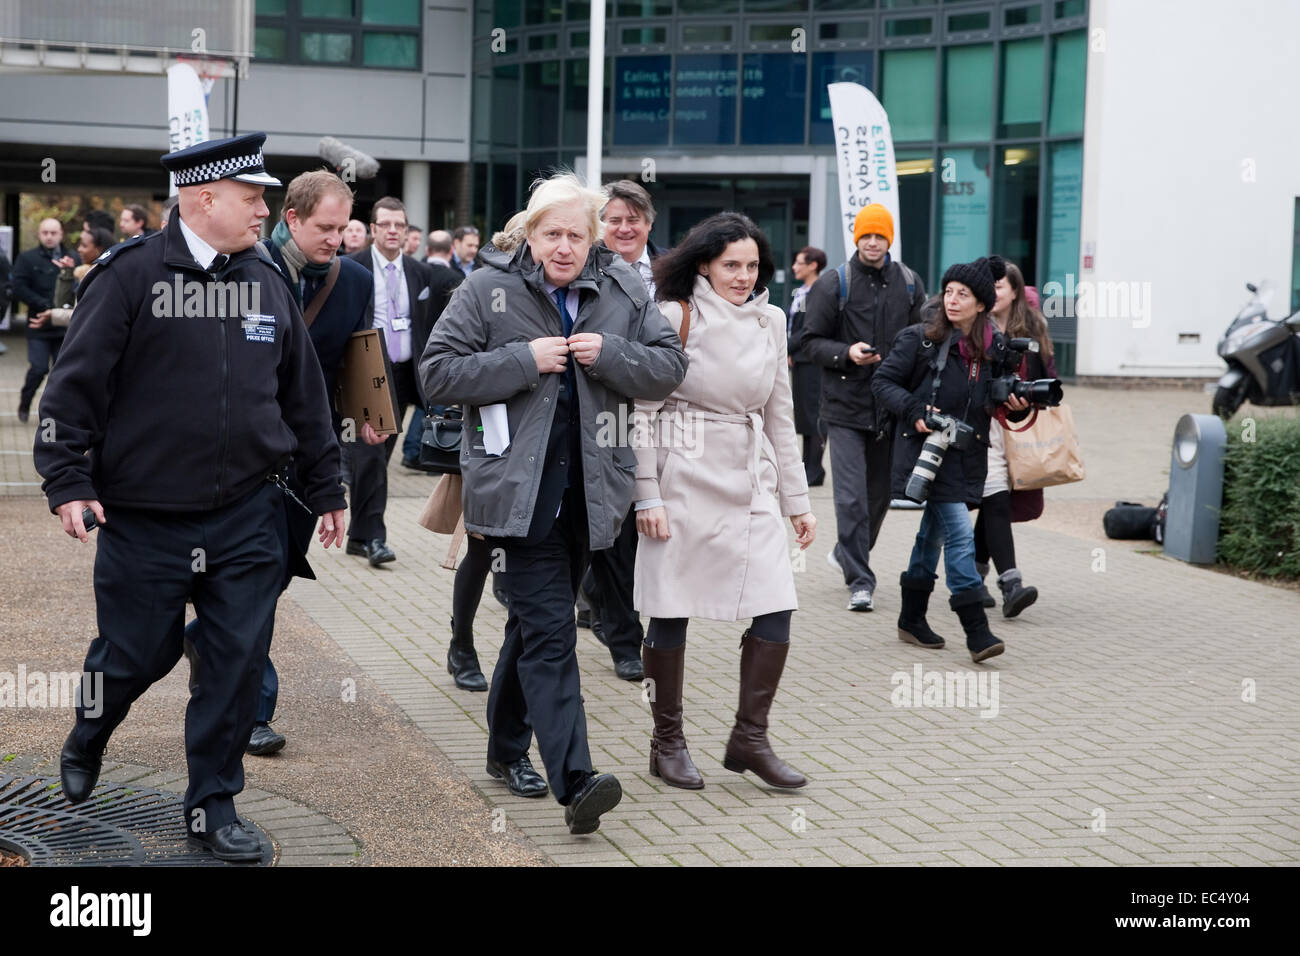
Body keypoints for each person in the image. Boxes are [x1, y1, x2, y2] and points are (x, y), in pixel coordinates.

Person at [34, 132, 347, 862]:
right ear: (203, 199)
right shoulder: (128, 277)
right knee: (134, 656)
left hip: (247, 514)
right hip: (144, 519)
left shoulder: (266, 280)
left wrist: (328, 485)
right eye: (253, 198)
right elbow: (73, 389)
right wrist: (66, 480)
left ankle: (212, 803)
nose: (264, 211)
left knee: (235, 665)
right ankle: (90, 730)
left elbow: (304, 398)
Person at [420, 172, 686, 834]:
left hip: (592, 495)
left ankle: (505, 749)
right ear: (529, 233)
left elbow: (670, 366)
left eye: (576, 234)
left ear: (593, 237)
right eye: (551, 233)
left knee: (529, 629)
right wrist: (520, 359)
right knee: (552, 631)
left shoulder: (623, 286)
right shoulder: (487, 289)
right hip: (518, 494)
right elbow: (435, 374)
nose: (563, 246)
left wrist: (612, 355)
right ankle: (576, 779)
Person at [633, 212, 816, 791]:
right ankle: (667, 742)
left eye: (752, 266)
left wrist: (798, 501)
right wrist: (646, 497)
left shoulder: (772, 320)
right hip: (680, 474)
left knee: (776, 602)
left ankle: (750, 737)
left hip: (748, 476)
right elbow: (637, 414)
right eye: (730, 265)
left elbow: (779, 415)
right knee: (669, 607)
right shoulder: (673, 315)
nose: (742, 276)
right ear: (704, 264)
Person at [201, 168, 379, 757]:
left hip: (307, 457)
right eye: (326, 228)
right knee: (252, 583)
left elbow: (360, 353)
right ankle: (252, 711)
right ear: (292, 218)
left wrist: (371, 413)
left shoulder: (353, 280)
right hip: (241, 454)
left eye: (345, 228)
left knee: (267, 583)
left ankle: (208, 639)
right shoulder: (240, 266)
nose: (338, 239)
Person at [871, 256, 1031, 664]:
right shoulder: (919, 340)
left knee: (932, 536)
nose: (953, 301)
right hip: (930, 453)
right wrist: (916, 411)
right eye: (949, 292)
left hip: (970, 456)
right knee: (959, 535)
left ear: (982, 304)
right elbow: (882, 382)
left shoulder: (992, 348)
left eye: (964, 294)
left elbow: (996, 406)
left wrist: (1014, 406)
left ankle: (911, 618)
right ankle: (976, 631)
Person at [799, 204, 925, 612]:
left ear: (889, 240)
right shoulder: (834, 282)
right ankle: (860, 580)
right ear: (857, 239)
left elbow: (923, 341)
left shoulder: (909, 283)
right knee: (850, 498)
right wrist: (847, 353)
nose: (873, 242)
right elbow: (809, 342)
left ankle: (849, 551)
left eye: (880, 236)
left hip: (891, 408)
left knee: (880, 496)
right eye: (867, 236)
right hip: (844, 407)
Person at [577, 179, 667, 682]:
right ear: (600, 226)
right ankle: (625, 640)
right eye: (614, 219)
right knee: (615, 533)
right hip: (607, 416)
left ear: (649, 225)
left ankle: (647, 622)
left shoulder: (675, 278)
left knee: (653, 529)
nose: (624, 227)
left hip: (666, 422)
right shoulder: (587, 273)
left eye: (634, 219)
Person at [346, 197, 433, 566]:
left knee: (379, 456)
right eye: (386, 225)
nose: (394, 231)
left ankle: (357, 536)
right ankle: (374, 537)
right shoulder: (352, 267)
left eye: (400, 225)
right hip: (366, 370)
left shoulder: (418, 271)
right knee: (369, 456)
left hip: (401, 373)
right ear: (374, 229)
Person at [972, 256, 1058, 617]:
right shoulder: (976, 325)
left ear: (1014, 291)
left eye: (999, 287)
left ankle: (976, 575)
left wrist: (1032, 398)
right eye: (989, 287)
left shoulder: (1033, 324)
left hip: (1022, 426)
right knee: (994, 499)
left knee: (999, 501)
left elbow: (1049, 371)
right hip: (987, 424)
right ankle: (1008, 582)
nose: (993, 293)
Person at [11, 218, 75, 423]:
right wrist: (44, 305)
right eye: (45, 232)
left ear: (61, 234)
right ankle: (25, 402)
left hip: (64, 327)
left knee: (61, 373)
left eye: (53, 233)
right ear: (39, 234)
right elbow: (19, 288)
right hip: (37, 324)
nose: (49, 237)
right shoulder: (27, 259)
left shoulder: (72, 258)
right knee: (38, 368)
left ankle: (57, 413)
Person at [788, 246, 828, 486]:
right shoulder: (799, 292)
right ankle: (807, 466)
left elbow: (809, 329)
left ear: (813, 265)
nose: (794, 267)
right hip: (800, 360)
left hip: (813, 361)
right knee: (803, 415)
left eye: (799, 262)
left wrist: (786, 346)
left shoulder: (821, 292)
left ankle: (816, 468)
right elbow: (796, 324)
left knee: (815, 415)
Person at [33, 226, 115, 330]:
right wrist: (67, 273)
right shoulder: (84, 273)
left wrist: (53, 314)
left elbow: (85, 315)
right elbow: (63, 303)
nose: (79, 249)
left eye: (84, 246)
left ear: (99, 249)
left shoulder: (101, 278)